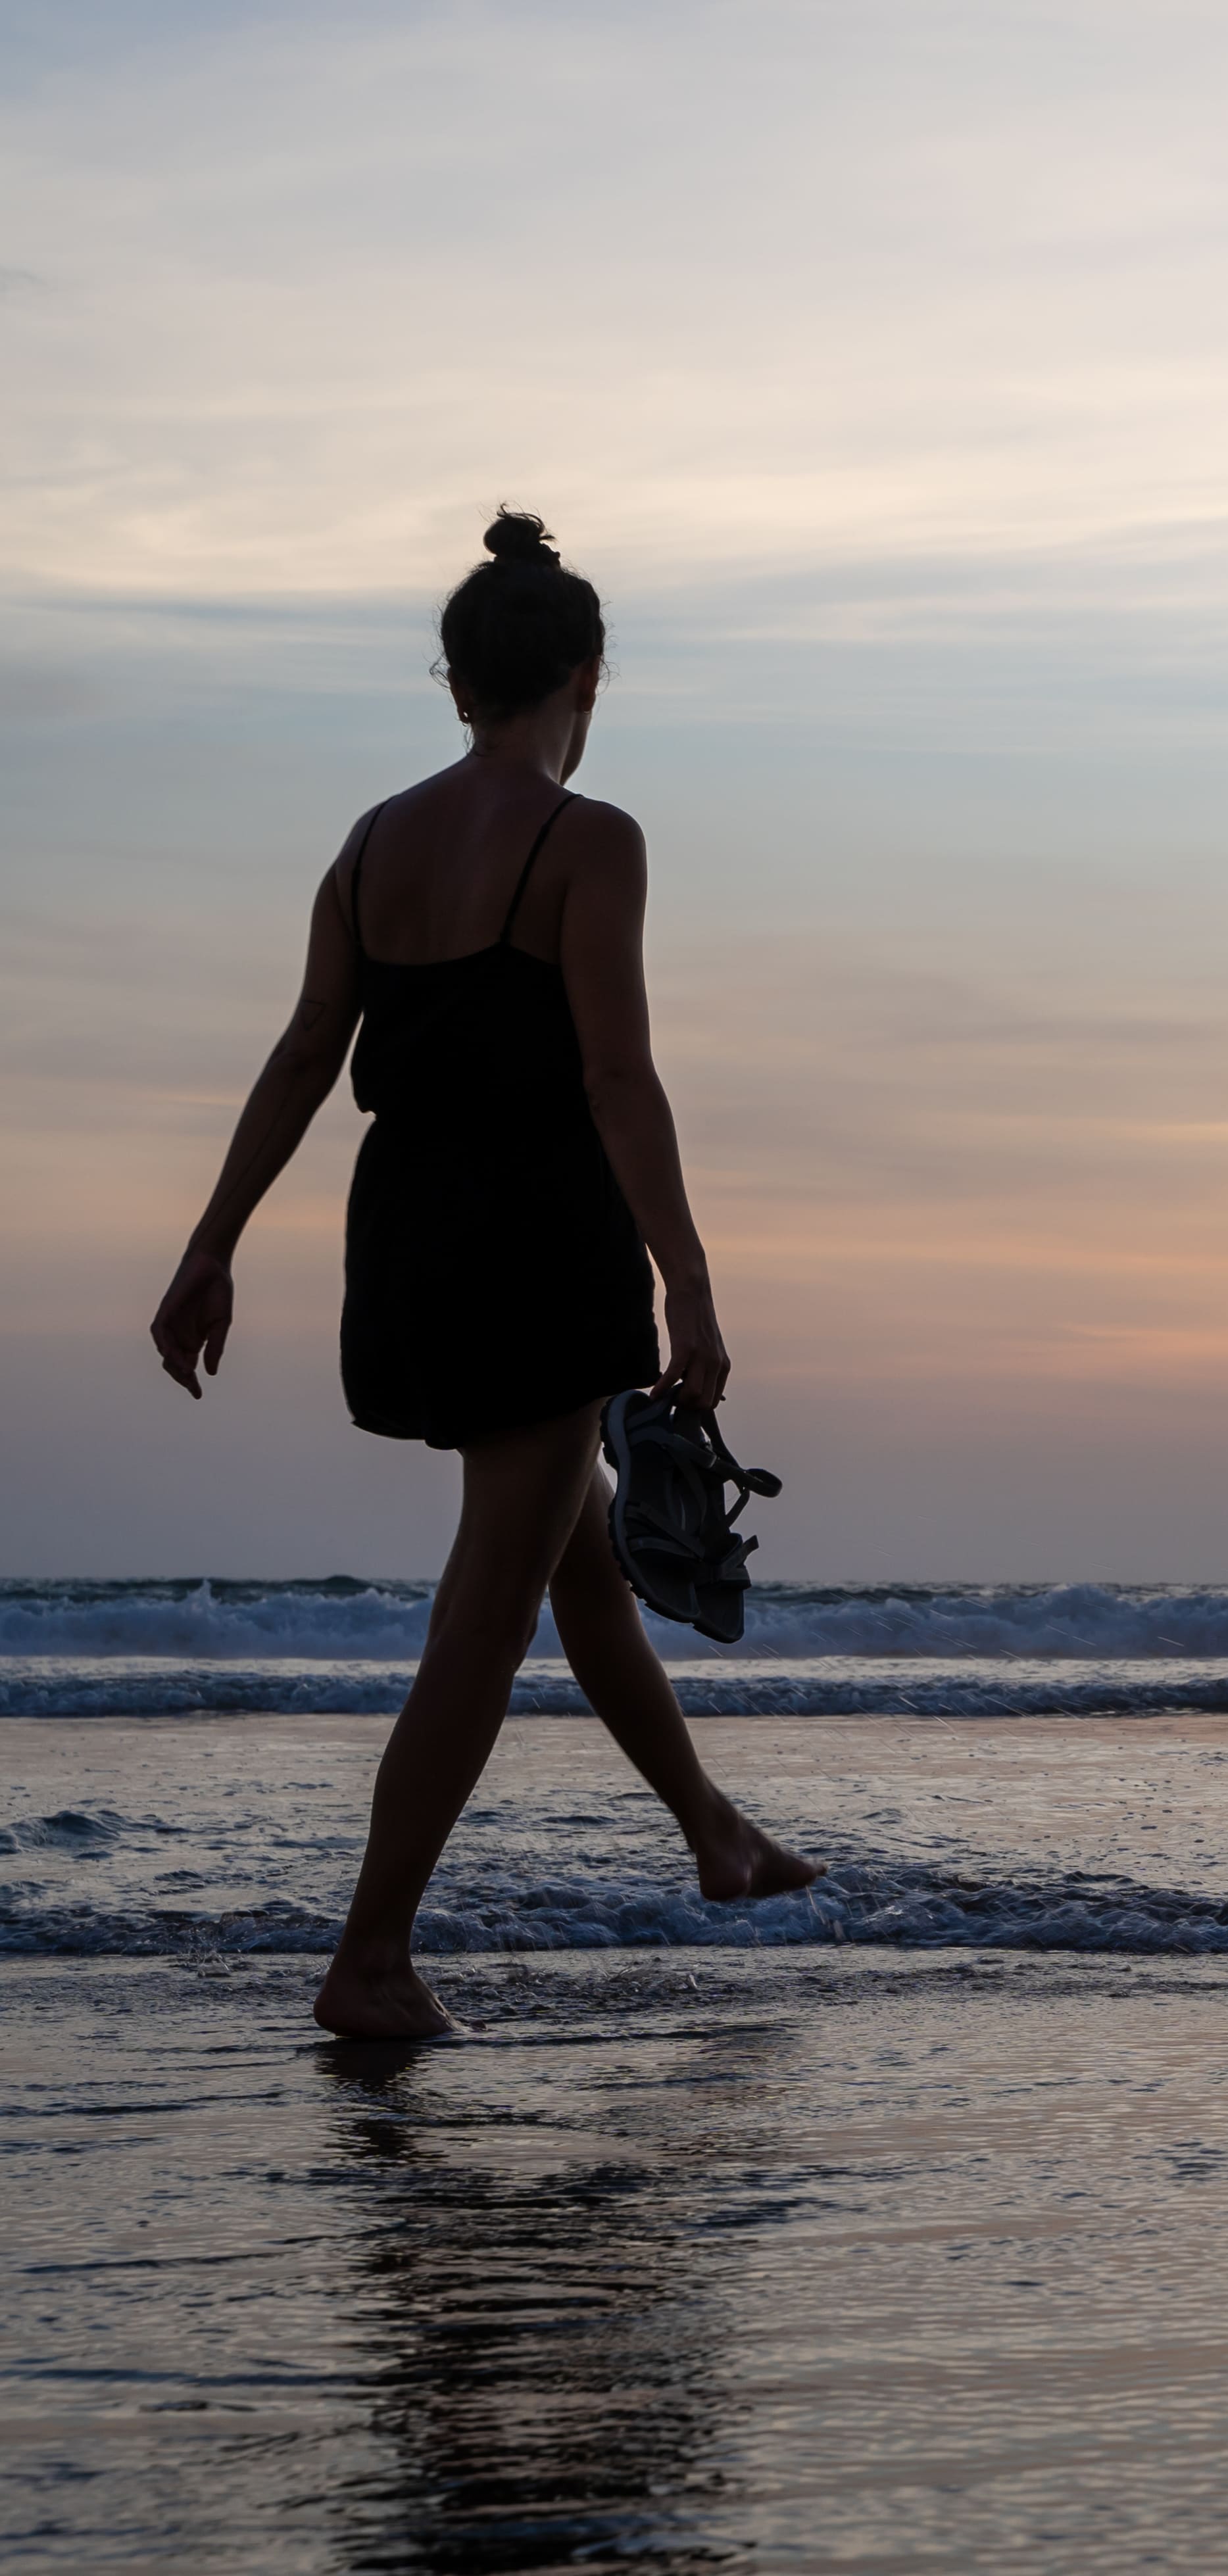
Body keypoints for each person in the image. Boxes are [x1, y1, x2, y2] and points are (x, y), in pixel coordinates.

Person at [148, 510, 820, 2041]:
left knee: (575, 1560)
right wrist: (692, 1283)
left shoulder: (370, 845)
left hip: (403, 1243)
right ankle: (371, 1956)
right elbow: (619, 1079)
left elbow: (309, 1053)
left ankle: (712, 1832)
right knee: (486, 1610)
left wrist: (211, 1242)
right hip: (537, 1243)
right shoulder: (591, 843)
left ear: (457, 687)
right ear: (589, 677)